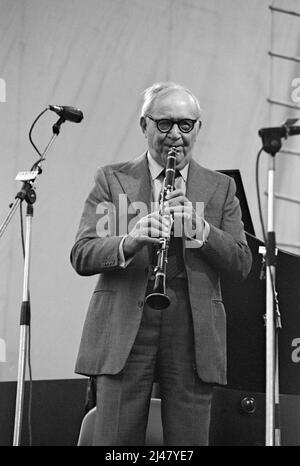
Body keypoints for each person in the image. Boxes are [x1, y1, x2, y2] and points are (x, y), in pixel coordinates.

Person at [70, 82, 252, 446]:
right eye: (164, 124)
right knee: (115, 444)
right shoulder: (112, 179)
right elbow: (83, 253)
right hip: (125, 329)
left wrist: (201, 230)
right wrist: (130, 239)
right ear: (144, 125)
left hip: (193, 331)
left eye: (186, 125)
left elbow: (242, 262)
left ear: (197, 129)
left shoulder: (221, 189)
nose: (175, 136)